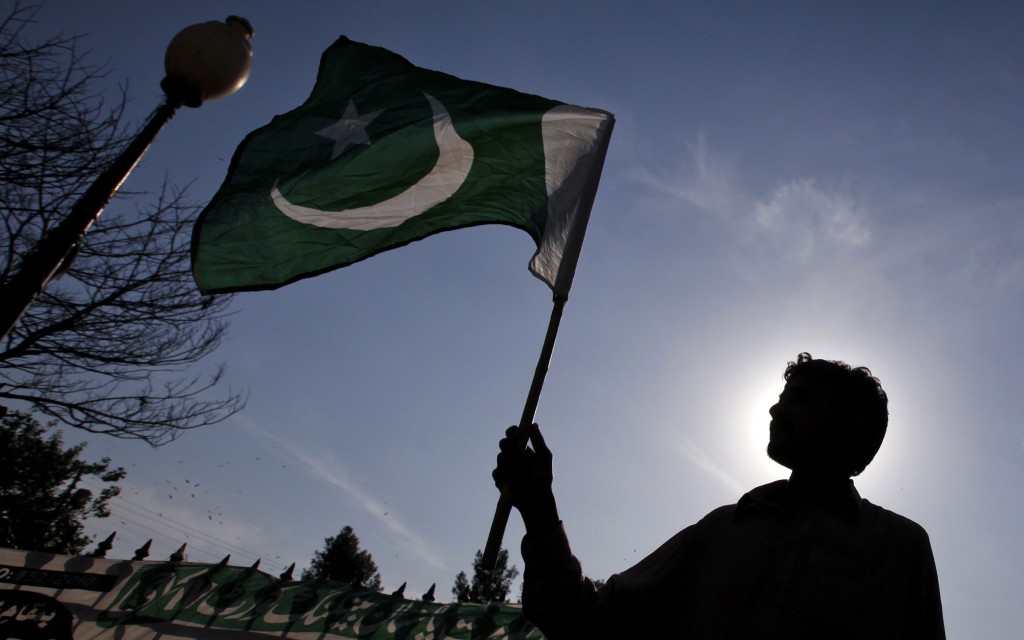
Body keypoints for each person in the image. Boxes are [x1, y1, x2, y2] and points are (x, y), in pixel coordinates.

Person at [493, 353, 944, 639]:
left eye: (801, 398)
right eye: (782, 395)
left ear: (849, 424)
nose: (775, 408)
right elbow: (586, 622)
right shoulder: (720, 532)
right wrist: (538, 510)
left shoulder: (899, 548)